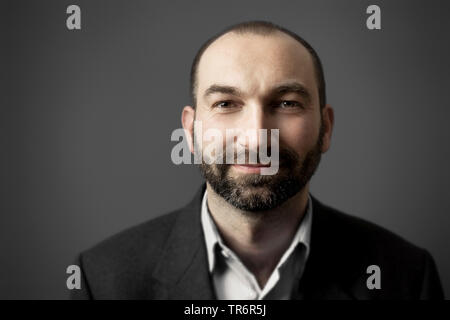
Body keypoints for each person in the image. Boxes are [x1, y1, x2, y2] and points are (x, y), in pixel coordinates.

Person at [71, 21, 444, 300]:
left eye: (286, 103)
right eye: (226, 104)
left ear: (326, 128)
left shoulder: (407, 277)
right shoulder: (103, 281)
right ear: (191, 131)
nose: (255, 136)